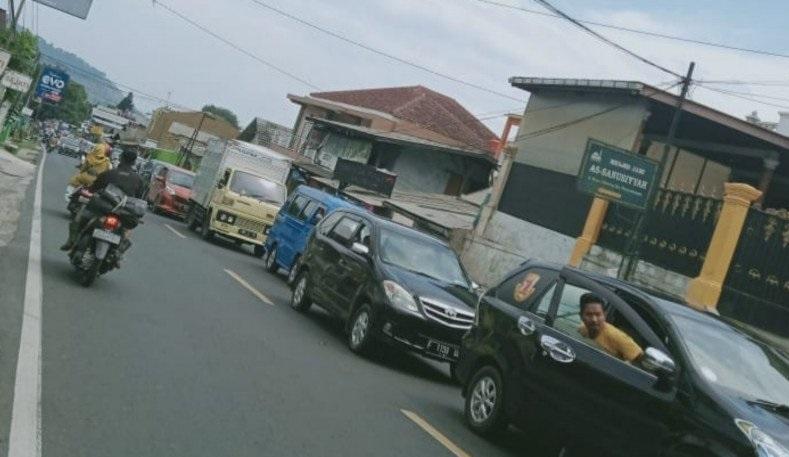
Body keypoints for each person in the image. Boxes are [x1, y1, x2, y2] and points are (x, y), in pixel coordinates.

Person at [60, 149, 145, 251]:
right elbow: (138, 200)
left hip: (102, 208)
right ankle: (119, 251)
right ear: (134, 162)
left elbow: (92, 189)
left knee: (79, 218)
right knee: (127, 231)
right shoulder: (138, 179)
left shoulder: (109, 173)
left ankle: (71, 241)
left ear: (121, 158)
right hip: (123, 213)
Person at [577, 293, 643, 363]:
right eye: (589, 314)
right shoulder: (582, 329)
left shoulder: (617, 336)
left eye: (598, 314)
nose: (594, 319)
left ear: (604, 315)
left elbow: (640, 358)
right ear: (581, 316)